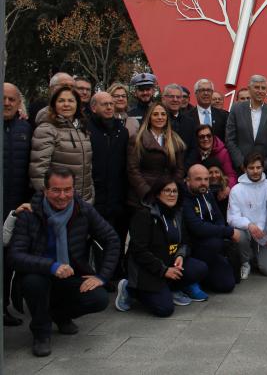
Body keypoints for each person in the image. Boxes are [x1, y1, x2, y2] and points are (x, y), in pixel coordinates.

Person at [10, 167, 119, 357]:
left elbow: (112, 240)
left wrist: (101, 276)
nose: (62, 196)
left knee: (99, 298)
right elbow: (15, 255)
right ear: (45, 190)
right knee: (33, 283)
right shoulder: (29, 213)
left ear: (73, 189)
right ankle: (41, 333)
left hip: (72, 273)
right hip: (40, 273)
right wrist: (52, 266)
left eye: (67, 189)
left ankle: (59, 315)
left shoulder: (83, 210)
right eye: (56, 190)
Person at [115, 177, 209, 317]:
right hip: (147, 268)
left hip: (170, 263)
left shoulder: (178, 213)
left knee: (200, 268)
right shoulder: (144, 214)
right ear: (158, 193)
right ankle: (129, 289)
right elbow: (138, 251)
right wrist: (163, 270)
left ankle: (170, 287)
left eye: (175, 191)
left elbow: (185, 241)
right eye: (167, 191)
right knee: (164, 309)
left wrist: (180, 255)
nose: (172, 194)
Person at [86, 92, 129, 278]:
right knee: (100, 238)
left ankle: (116, 272)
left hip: (118, 195)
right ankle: (102, 275)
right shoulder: (86, 130)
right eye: (104, 104)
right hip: (96, 195)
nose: (110, 107)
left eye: (111, 104)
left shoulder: (122, 131)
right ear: (94, 107)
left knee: (118, 236)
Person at [29, 85, 94, 203]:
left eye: (71, 100)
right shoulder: (46, 130)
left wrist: (90, 195)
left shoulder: (82, 129)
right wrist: (52, 200)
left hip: (83, 202)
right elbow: (39, 172)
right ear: (54, 104)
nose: (66, 104)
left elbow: (87, 167)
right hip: (59, 203)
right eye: (61, 100)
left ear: (77, 104)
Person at [181, 164, 238, 294]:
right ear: (188, 181)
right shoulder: (183, 199)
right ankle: (191, 280)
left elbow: (219, 218)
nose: (203, 183)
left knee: (228, 285)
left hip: (209, 245)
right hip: (191, 248)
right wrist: (228, 231)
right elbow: (197, 228)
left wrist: (219, 231)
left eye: (206, 179)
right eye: (198, 179)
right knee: (215, 243)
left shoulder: (207, 194)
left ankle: (204, 276)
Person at [4, 82, 31, 325]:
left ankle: (3, 307)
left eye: (12, 99)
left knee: (7, 260)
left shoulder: (25, 127)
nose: (7, 103)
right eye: (3, 98)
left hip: (14, 206)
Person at [227, 153, 267, 279]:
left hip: (265, 235)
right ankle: (245, 262)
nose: (255, 171)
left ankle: (256, 256)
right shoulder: (236, 190)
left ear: (263, 168)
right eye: (251, 168)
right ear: (244, 169)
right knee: (238, 234)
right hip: (247, 233)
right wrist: (249, 225)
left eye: (258, 167)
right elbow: (232, 218)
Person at [127, 102, 186, 209]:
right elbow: (133, 170)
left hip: (168, 196)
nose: (160, 117)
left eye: (163, 114)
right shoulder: (137, 139)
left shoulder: (176, 140)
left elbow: (180, 169)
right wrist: (147, 192)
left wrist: (172, 189)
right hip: (144, 197)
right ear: (149, 118)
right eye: (155, 114)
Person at [226, 75, 267, 177]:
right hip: (241, 171)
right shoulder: (236, 109)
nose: (260, 91)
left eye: (263, 88)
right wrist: (242, 164)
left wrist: (264, 166)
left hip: (266, 172)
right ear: (249, 89)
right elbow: (230, 139)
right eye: (257, 87)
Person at [184, 124, 237, 193]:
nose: (206, 139)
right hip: (198, 190)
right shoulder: (192, 154)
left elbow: (231, 175)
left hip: (219, 191)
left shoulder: (223, 153)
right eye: (202, 137)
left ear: (213, 137)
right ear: (197, 139)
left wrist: (228, 188)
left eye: (209, 136)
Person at [161, 83, 198, 153]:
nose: (175, 100)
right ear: (163, 99)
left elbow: (194, 148)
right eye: (171, 96)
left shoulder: (190, 122)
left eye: (178, 97)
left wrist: (187, 164)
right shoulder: (157, 120)